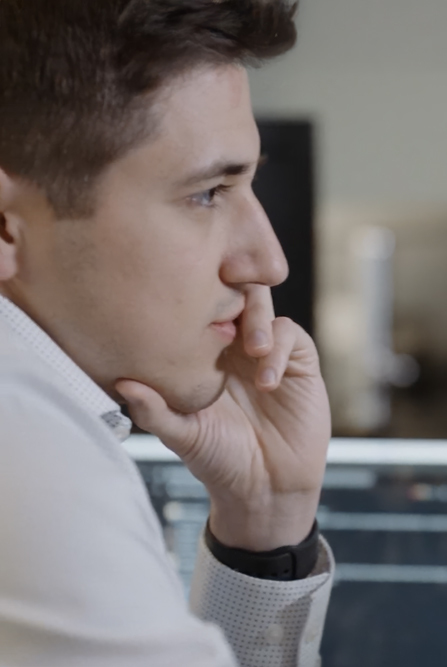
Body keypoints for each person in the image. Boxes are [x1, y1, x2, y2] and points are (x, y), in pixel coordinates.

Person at [0, 1, 335, 665]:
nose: (268, 262)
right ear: (6, 227)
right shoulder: (24, 444)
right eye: (207, 193)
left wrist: (263, 524)